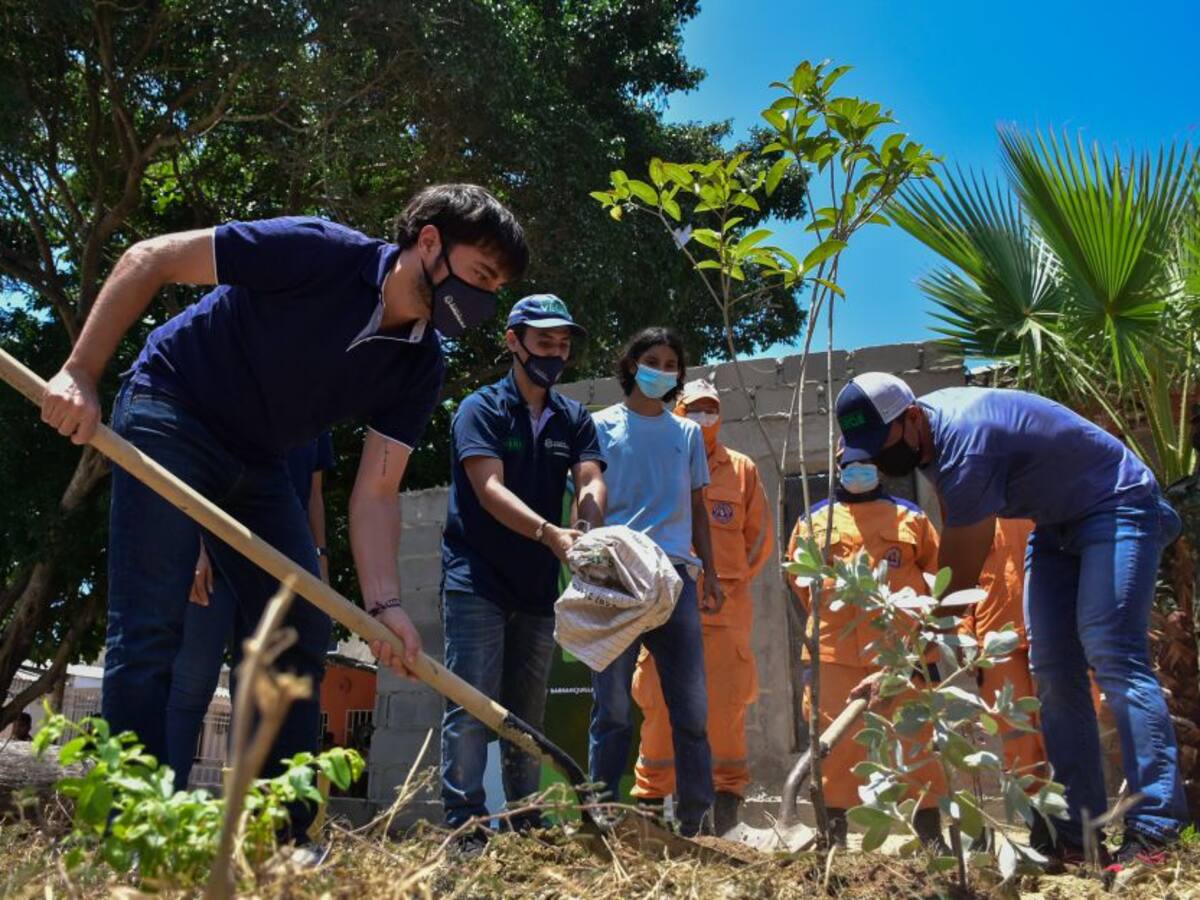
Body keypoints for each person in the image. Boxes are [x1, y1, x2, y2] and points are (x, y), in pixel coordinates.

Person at [38, 184, 527, 839]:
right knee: (151, 625)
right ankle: (132, 833)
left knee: (299, 625)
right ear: (430, 241)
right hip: (173, 406)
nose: (485, 299)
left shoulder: (420, 366)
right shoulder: (317, 251)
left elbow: (376, 492)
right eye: (481, 274)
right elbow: (149, 257)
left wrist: (385, 606)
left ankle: (286, 842)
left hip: (260, 457)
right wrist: (80, 372)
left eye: (496, 288)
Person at [836, 373, 1187, 867]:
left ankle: (1157, 829)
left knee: (1111, 649)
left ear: (911, 416)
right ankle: (1077, 833)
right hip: (1054, 523)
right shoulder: (924, 440)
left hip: (1117, 502)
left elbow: (958, 577)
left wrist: (904, 664)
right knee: (1052, 669)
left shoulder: (966, 445)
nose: (877, 457)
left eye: (882, 442)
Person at [440, 295, 605, 844]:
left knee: (526, 715)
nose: (555, 354)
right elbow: (489, 488)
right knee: (470, 706)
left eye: (563, 344)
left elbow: (590, 477)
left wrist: (586, 524)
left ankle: (526, 825)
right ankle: (466, 829)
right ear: (514, 342)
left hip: (537, 588)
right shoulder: (481, 409)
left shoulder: (572, 417)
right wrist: (549, 533)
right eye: (543, 342)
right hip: (476, 580)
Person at [588, 327, 723, 838]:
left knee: (691, 709)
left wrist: (710, 573)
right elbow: (587, 495)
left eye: (671, 364)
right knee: (612, 709)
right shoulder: (599, 426)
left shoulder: (686, 434)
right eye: (652, 361)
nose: (661, 371)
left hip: (676, 581)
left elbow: (698, 509)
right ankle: (599, 819)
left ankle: (696, 823)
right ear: (631, 365)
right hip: (618, 577)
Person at [630, 378, 773, 835]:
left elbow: (758, 541)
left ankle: (724, 819)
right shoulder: (656, 462)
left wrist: (726, 581)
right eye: (695, 409)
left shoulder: (742, 469)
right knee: (659, 708)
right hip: (665, 610)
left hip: (724, 617)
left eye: (711, 409)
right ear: (679, 412)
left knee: (726, 712)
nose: (704, 417)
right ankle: (652, 817)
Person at [786, 443, 946, 848]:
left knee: (916, 742)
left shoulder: (911, 517)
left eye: (866, 464)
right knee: (834, 748)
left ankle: (931, 838)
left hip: (900, 654)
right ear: (838, 467)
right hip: (835, 655)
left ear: (880, 468)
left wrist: (918, 643)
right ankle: (834, 838)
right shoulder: (814, 520)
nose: (858, 471)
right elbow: (800, 582)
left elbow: (936, 579)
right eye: (850, 465)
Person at [166, 432, 334, 791]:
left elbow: (314, 494)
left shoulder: (319, 413)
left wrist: (319, 557)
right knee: (191, 685)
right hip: (214, 559)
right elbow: (193, 465)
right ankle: (162, 803)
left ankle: (249, 810)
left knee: (257, 693)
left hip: (280, 570)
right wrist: (194, 545)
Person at [959, 518, 1048, 788]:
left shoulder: (1051, 501)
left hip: (1054, 630)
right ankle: (1032, 808)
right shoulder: (976, 514)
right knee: (1015, 736)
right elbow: (962, 580)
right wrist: (964, 634)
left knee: (1064, 726)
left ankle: (1076, 807)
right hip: (996, 639)